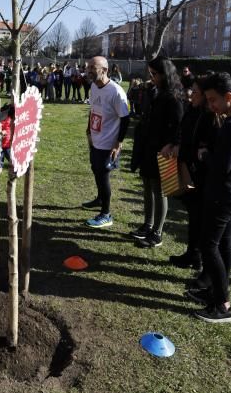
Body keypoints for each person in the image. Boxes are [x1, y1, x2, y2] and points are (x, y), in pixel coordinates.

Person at [191, 72, 231, 323]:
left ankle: (223, 304)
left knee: (208, 245)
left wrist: (205, 154)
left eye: (213, 100)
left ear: (229, 97)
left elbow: (221, 166)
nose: (211, 106)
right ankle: (215, 291)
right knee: (224, 244)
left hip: (222, 193)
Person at [130, 55, 183, 248]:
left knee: (160, 190)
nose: (151, 77)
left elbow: (179, 125)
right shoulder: (155, 92)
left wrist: (172, 144)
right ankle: (147, 224)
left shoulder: (174, 97)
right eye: (150, 73)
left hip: (164, 150)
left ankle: (157, 232)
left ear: (164, 74)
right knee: (147, 186)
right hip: (149, 146)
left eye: (154, 74)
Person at [169, 77, 220, 270]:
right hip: (189, 170)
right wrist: (175, 144)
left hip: (202, 176)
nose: (191, 95)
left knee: (200, 219)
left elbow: (203, 149)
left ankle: (198, 259)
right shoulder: (192, 110)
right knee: (193, 215)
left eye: (196, 92)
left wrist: (183, 151)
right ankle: (191, 253)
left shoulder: (211, 118)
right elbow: (183, 132)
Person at [84, 56, 130, 229]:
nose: (88, 70)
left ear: (104, 69)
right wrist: (88, 130)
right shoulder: (93, 87)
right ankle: (99, 199)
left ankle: (106, 214)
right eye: (88, 67)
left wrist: (118, 143)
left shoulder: (116, 92)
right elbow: (92, 110)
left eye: (92, 67)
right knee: (95, 169)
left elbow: (125, 119)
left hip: (108, 143)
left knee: (103, 175)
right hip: (95, 139)